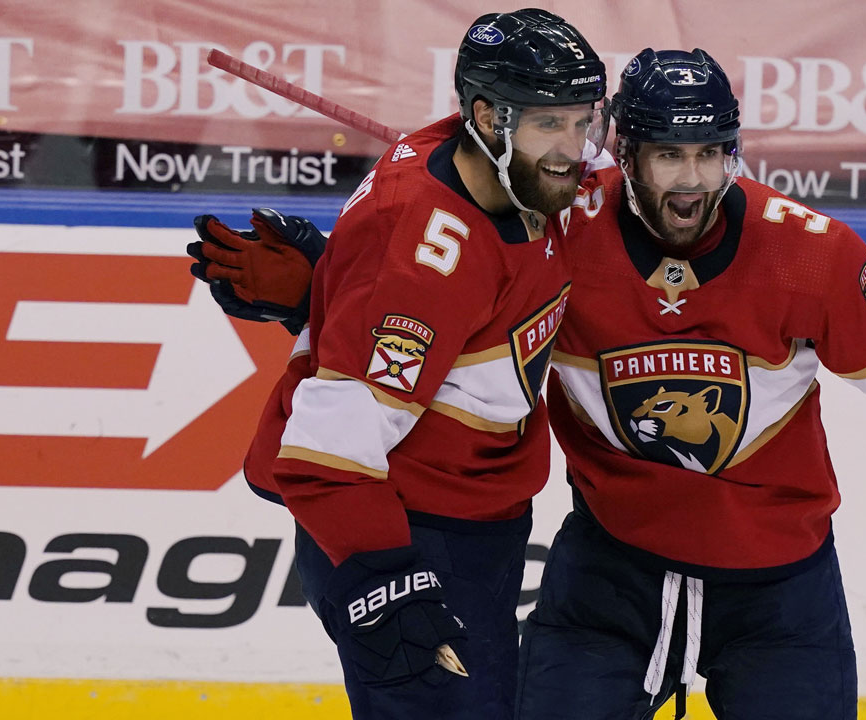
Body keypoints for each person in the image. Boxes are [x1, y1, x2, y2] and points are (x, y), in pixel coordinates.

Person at [190, 48, 866, 720]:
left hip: (777, 588)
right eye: (668, 157)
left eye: (711, 156)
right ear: (626, 152)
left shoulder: (810, 255)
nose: (692, 181)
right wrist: (324, 289)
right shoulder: (556, 231)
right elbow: (446, 315)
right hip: (609, 572)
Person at [189, 9, 609, 720]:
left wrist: (328, 291)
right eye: (549, 125)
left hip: (477, 516)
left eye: (581, 121)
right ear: (485, 115)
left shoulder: (492, 165)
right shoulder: (423, 260)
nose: (574, 148)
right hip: (408, 531)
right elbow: (325, 460)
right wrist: (387, 581)